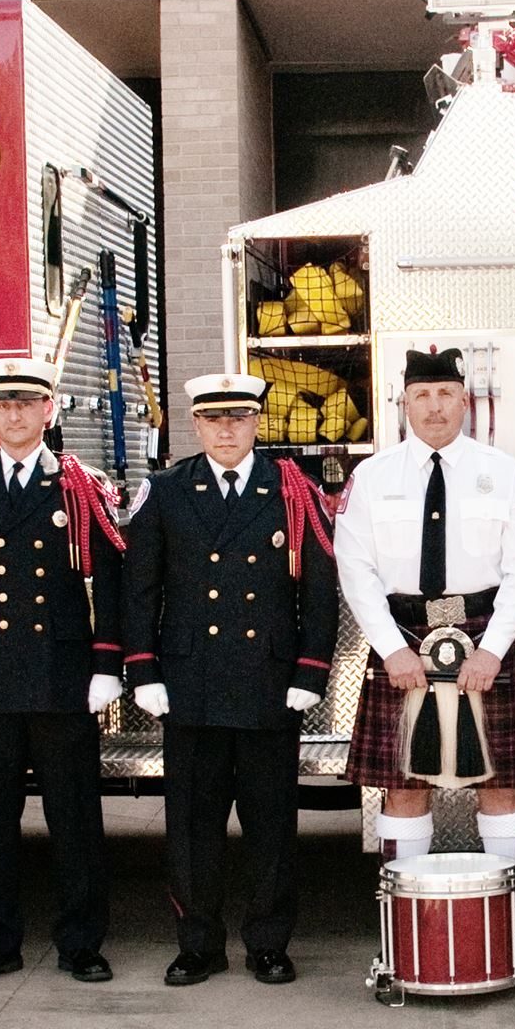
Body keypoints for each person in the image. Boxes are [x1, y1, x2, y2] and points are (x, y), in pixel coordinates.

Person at [122, 372, 341, 987]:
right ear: (196, 424)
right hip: (190, 684)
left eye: (239, 418)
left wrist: (311, 669)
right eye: (214, 419)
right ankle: (198, 945)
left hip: (267, 682)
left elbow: (320, 588)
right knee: (194, 828)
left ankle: (268, 943)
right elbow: (140, 588)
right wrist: (143, 670)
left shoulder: (290, 489)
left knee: (271, 825)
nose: (226, 430)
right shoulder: (166, 491)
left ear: (256, 423)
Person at [0, 357, 127, 985]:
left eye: (26, 404)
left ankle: (81, 943)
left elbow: (109, 583)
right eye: (2, 404)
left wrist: (106, 663)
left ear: (49, 410)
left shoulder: (79, 485)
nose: (14, 415)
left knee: (75, 819)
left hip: (60, 676)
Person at [333, 344, 515, 864]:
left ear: (465, 402)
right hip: (403, 639)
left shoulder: (504, 472)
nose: (435, 406)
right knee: (404, 789)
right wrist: (391, 649)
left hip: (484, 635)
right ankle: (406, 910)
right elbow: (355, 569)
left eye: (446, 394)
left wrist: (493, 650)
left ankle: (508, 907)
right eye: (423, 395)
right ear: (404, 403)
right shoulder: (372, 477)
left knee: (501, 787)